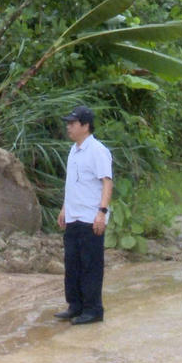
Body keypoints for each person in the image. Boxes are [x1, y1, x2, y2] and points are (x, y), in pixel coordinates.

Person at [54, 105, 113, 325]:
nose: (68, 127)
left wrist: (102, 212)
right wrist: (64, 208)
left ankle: (93, 310)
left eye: (72, 123)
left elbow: (107, 182)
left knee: (91, 265)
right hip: (73, 216)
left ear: (85, 126)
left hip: (90, 218)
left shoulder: (97, 150)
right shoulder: (74, 150)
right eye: (68, 123)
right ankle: (75, 305)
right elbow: (73, 184)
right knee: (72, 264)